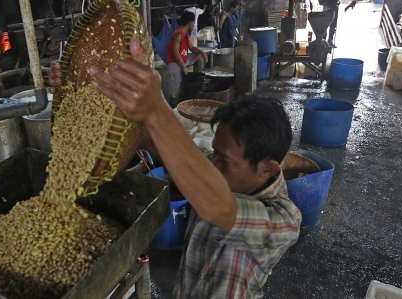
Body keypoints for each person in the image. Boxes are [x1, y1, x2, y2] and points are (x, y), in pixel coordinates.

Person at [48, 34, 301, 298]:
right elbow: (151, 140)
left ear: (268, 169)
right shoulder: (215, 172)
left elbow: (217, 206)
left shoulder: (283, 220)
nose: (213, 163)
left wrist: (157, 110)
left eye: (225, 159)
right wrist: (86, 90)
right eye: (215, 153)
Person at [166, 11, 208, 107]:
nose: (194, 25)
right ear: (189, 22)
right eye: (193, 22)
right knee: (175, 92)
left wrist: (202, 52)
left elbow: (192, 49)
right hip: (175, 63)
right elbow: (175, 53)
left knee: (199, 56)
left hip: (183, 59)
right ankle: (172, 109)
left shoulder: (185, 35)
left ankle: (196, 80)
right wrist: (184, 66)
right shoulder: (178, 35)